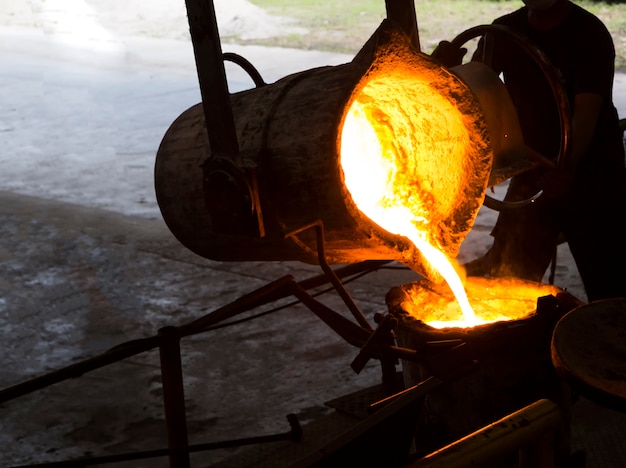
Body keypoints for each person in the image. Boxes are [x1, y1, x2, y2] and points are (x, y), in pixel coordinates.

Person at [435, 0, 626, 302]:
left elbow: (585, 114)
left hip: (592, 169)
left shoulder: (590, 34)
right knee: (510, 278)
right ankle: (516, 339)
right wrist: (444, 73)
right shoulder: (503, 31)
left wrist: (568, 165)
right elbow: (473, 92)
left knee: (610, 285)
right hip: (532, 167)